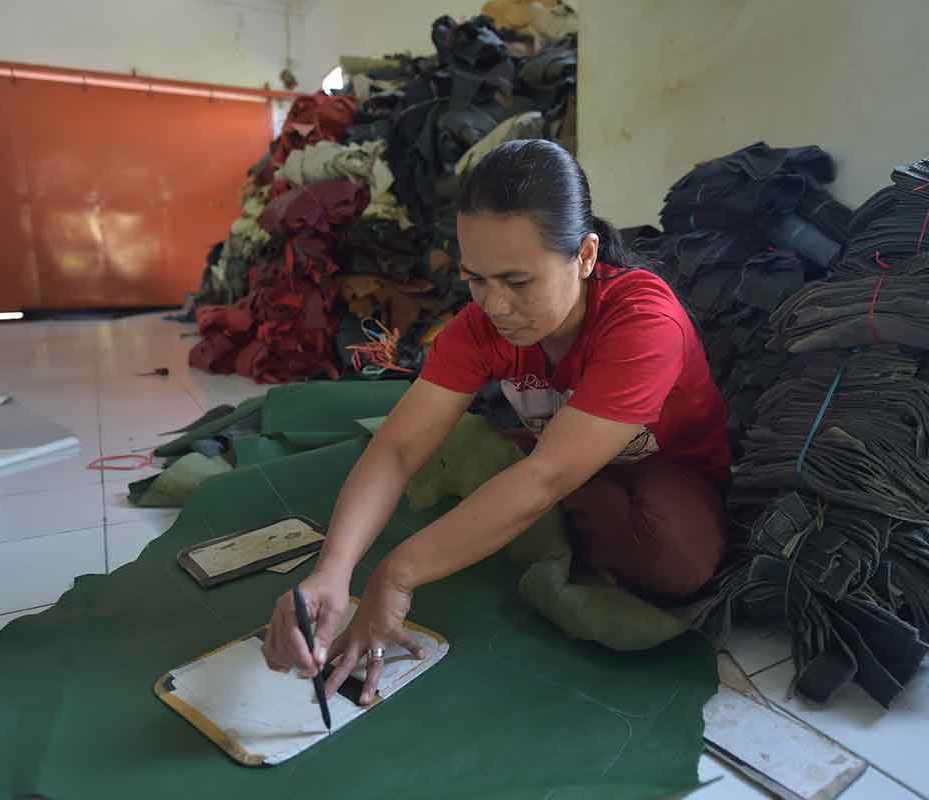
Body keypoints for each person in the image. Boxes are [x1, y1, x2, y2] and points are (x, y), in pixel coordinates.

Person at [263, 139, 730, 704]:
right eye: (476, 279)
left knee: (681, 556)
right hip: (555, 462)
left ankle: (532, 518)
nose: (495, 305)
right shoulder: (479, 326)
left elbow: (545, 478)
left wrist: (397, 572)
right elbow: (396, 450)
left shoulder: (643, 322)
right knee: (467, 462)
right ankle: (528, 516)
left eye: (518, 281)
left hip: (659, 470)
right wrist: (331, 571)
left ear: (584, 256)